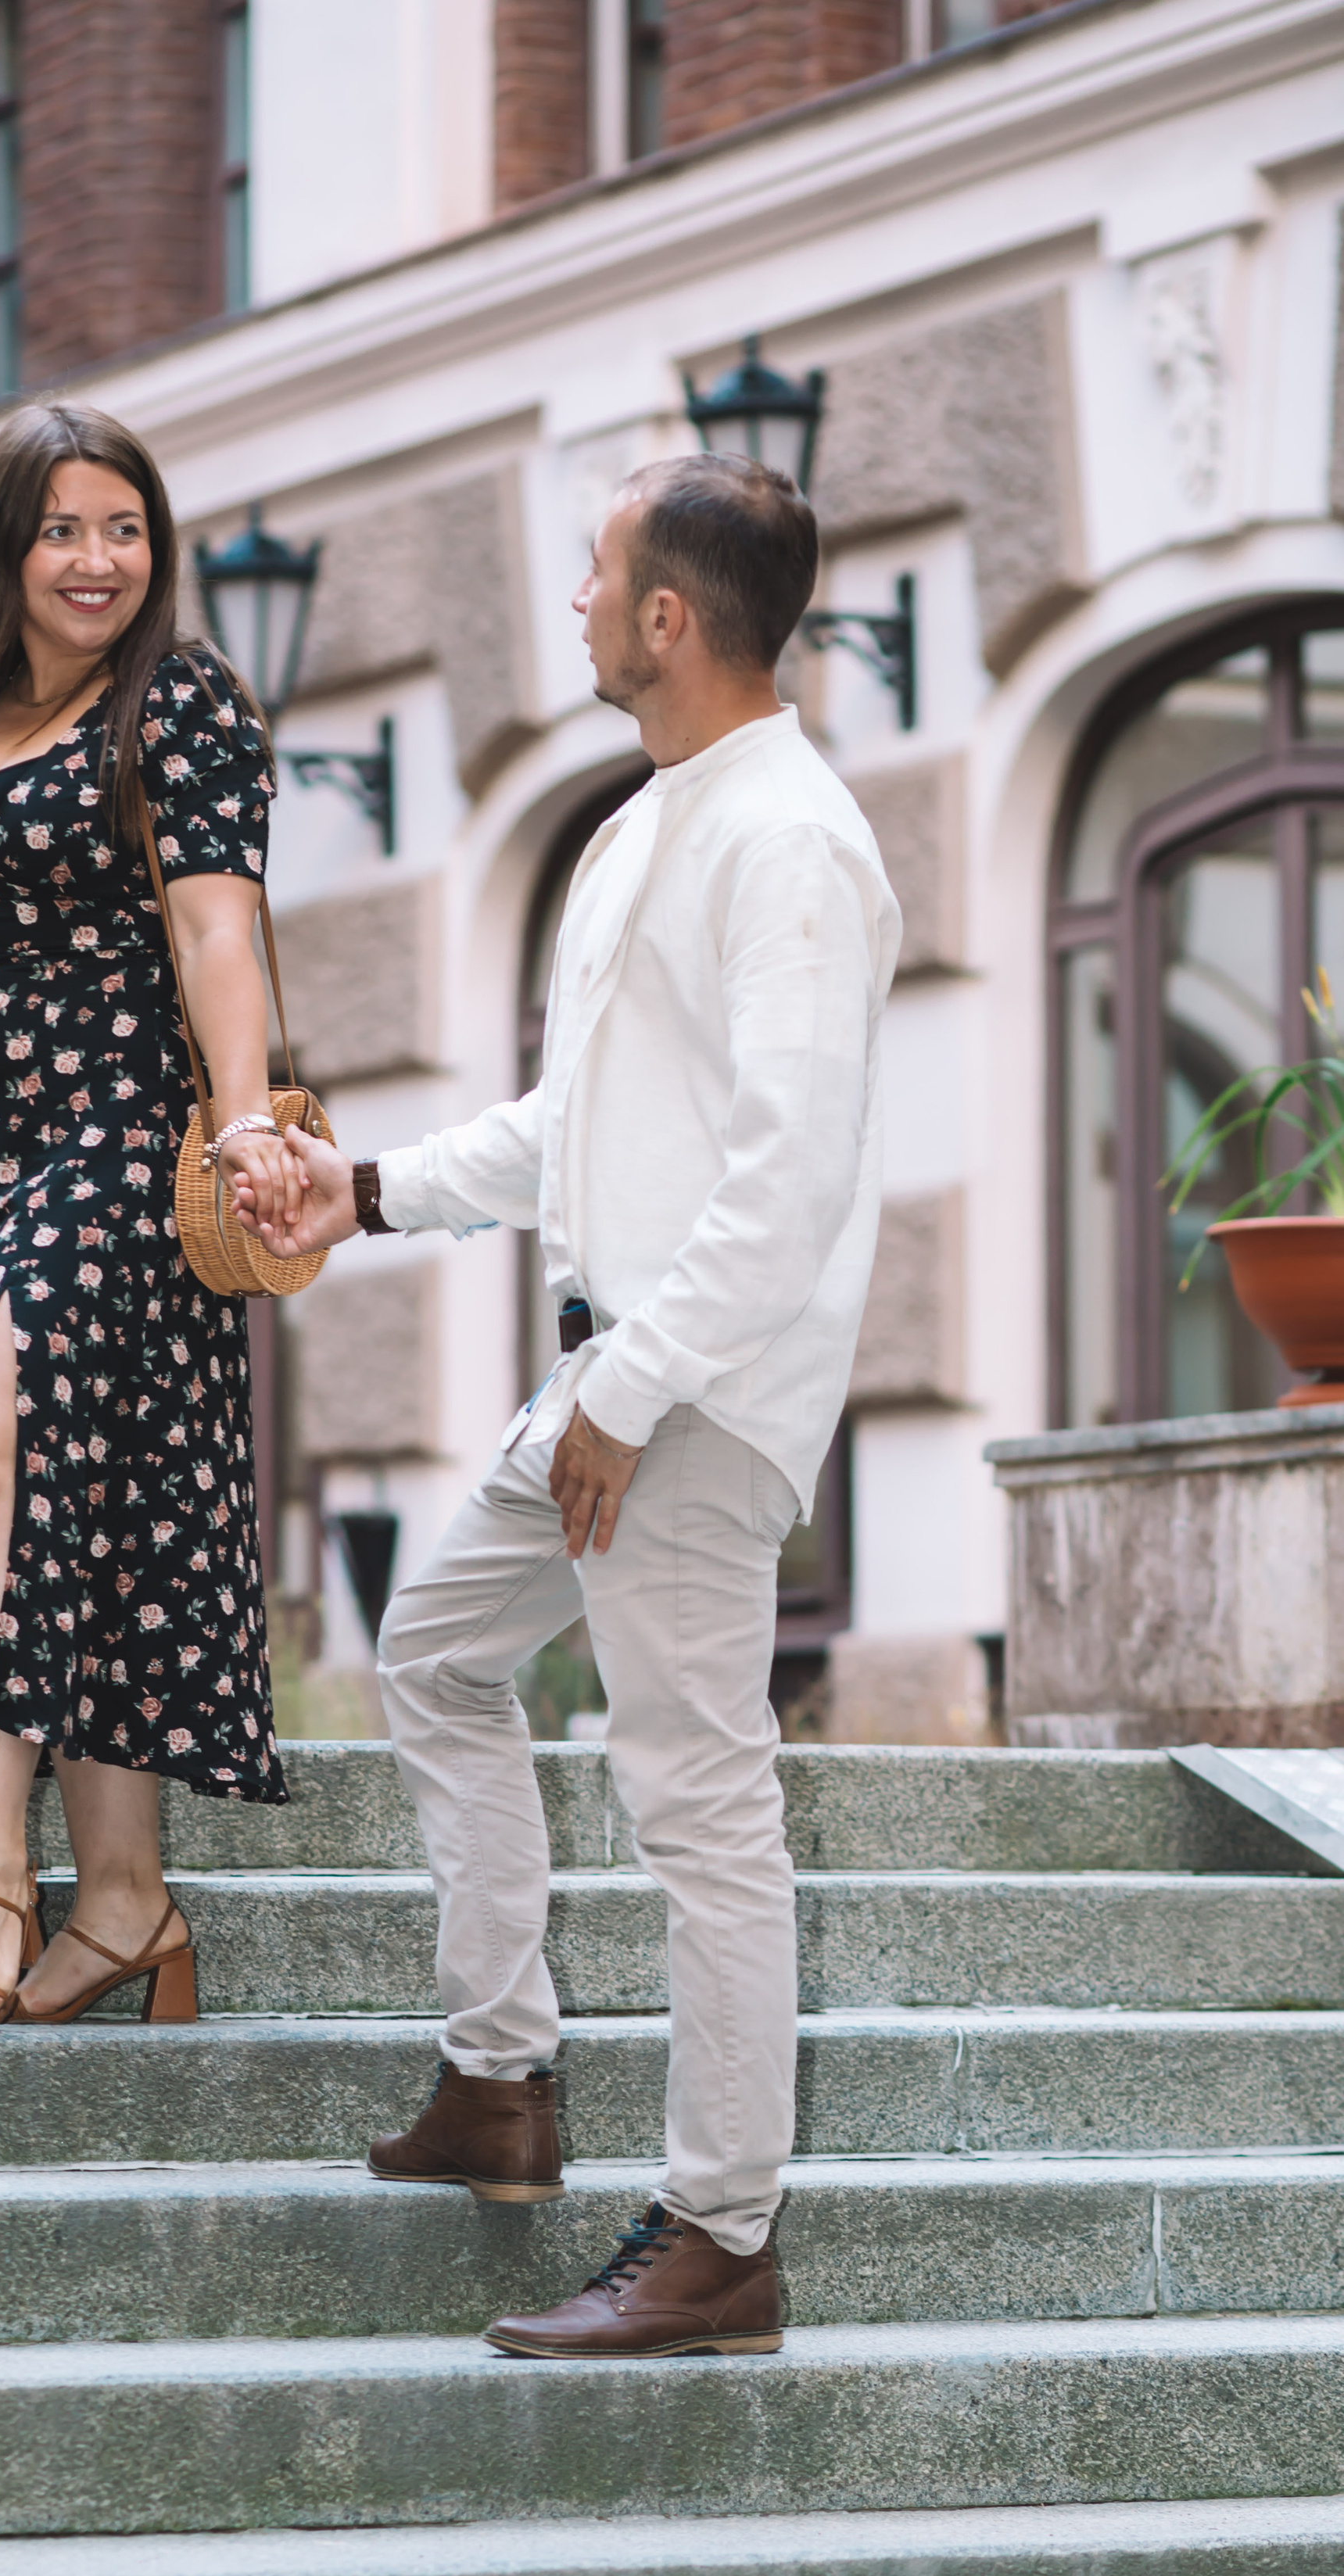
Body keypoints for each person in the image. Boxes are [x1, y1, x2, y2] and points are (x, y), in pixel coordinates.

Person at [236, 451, 900, 2356]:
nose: (580, 610)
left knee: (698, 1810)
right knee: (435, 1655)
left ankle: (718, 2234)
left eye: (597, 581)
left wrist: (624, 1391)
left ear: (670, 618)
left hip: (689, 1397)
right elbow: (569, 1133)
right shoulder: (641, 828)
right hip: (610, 1377)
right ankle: (503, 2082)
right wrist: (354, 1194)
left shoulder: (790, 839)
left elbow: (784, 1179)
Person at [0, 400, 302, 2041]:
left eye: (123, 529)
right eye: (61, 530)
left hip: (117, 1128)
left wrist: (238, 1116)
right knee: (80, 1505)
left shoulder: (177, 708)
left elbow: (215, 931)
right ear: (3, 550)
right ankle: (126, 1906)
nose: (97, 561)